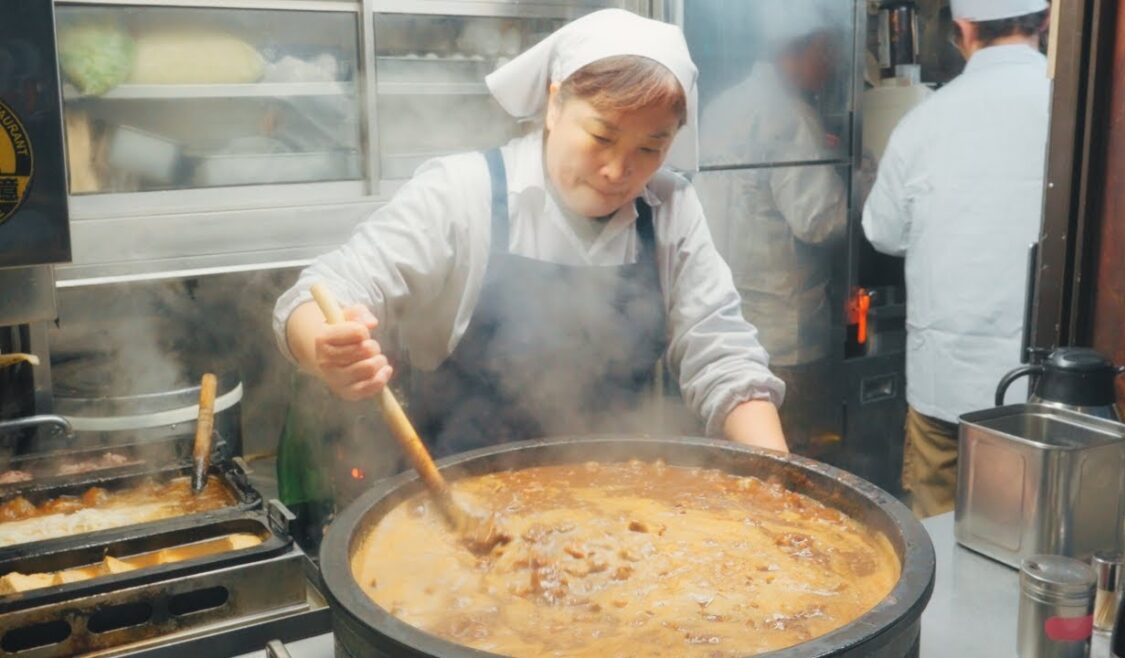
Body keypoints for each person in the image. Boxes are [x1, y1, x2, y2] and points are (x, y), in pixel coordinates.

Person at [272, 9, 788, 495]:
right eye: (602, 135)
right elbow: (318, 293)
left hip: (621, 510)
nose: (617, 170)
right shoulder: (462, 192)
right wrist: (325, 345)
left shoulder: (670, 207)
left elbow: (721, 354)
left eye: (649, 149)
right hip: (456, 518)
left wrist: (778, 485)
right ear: (554, 103)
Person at [862, 0, 1051, 517]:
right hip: (1047, 395)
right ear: (1045, 22)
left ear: (962, 29)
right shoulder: (1077, 109)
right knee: (1032, 537)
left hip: (945, 386)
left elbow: (882, 232)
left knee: (942, 540)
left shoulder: (924, 121)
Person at [698, 1, 848, 452]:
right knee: (790, 462)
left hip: (726, 324)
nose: (833, 64)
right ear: (808, 48)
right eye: (830, 51)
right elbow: (821, 221)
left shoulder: (722, 107)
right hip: (786, 338)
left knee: (734, 467)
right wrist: (854, 184)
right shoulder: (791, 115)